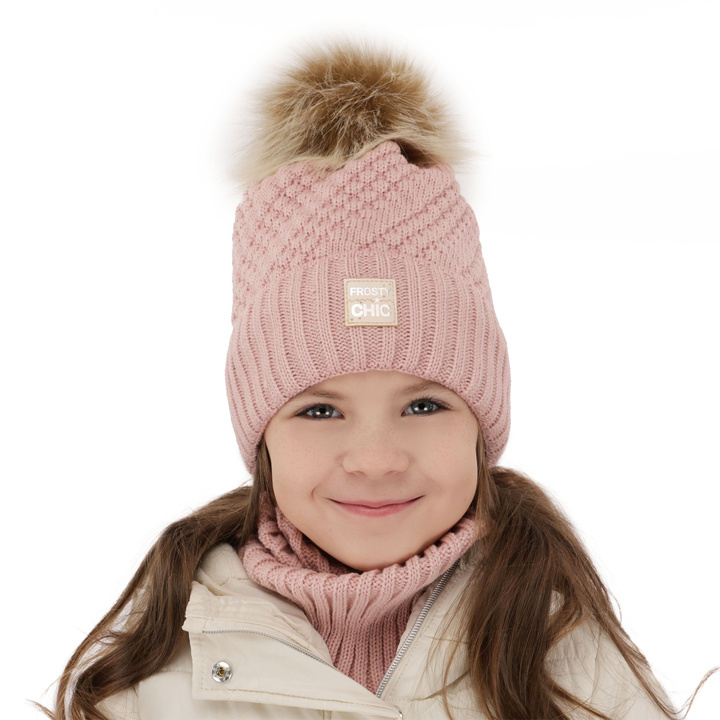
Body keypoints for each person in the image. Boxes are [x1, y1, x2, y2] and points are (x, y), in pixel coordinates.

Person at [44, 42, 681, 720]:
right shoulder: (153, 675)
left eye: (424, 404)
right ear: (262, 437)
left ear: (481, 425)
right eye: (320, 411)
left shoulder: (573, 668)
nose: (376, 459)